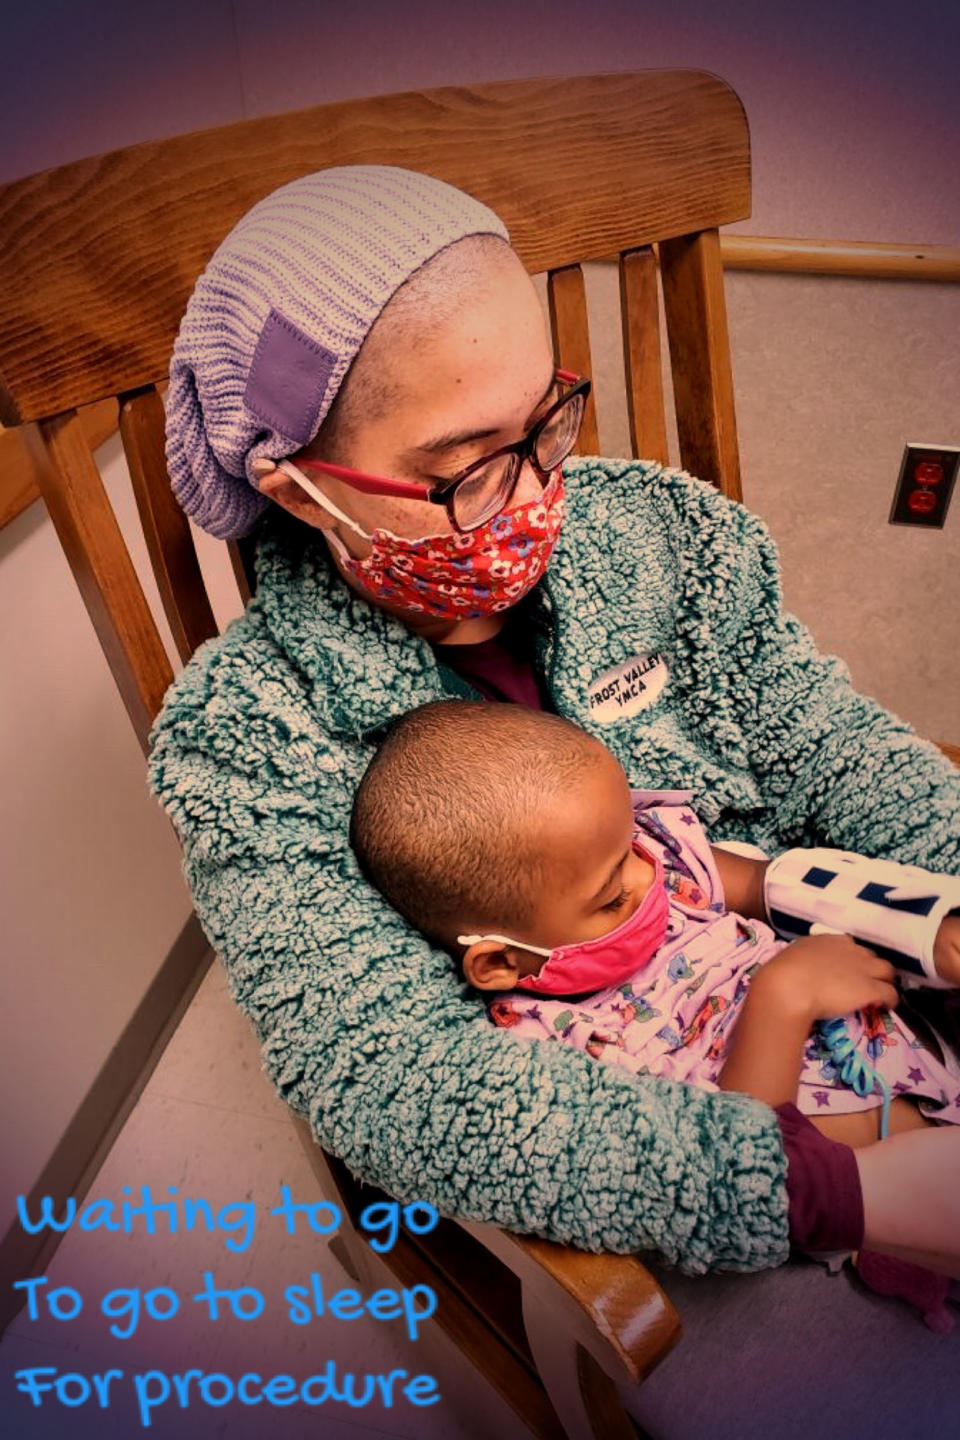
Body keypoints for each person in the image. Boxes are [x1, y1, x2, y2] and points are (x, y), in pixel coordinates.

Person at [151, 165, 960, 1435]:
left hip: (799, 955)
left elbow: (830, 748)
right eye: (463, 465)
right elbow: (392, 1079)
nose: (534, 499)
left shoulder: (663, 540)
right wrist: (826, 1195)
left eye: (547, 424)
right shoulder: (252, 739)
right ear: (296, 481)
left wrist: (947, 892)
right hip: (627, 1103)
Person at [349, 699, 960, 1286]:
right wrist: (783, 995)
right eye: (611, 897)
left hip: (925, 1049)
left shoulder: (653, 857)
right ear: (502, 960)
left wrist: (922, 930)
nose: (649, 879)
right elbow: (737, 1166)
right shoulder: (554, 1048)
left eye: (633, 847)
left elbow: (775, 885)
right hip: (863, 1193)